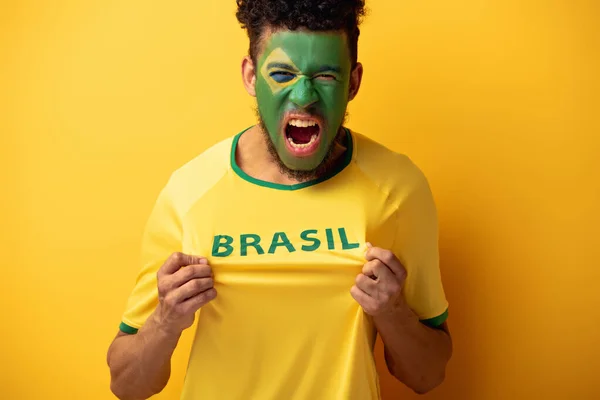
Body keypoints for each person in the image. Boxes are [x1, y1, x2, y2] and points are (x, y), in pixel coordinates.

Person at [106, 1, 453, 399]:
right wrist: (166, 321)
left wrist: (392, 313)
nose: (303, 97)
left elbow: (427, 376)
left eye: (325, 75)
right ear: (251, 76)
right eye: (282, 74)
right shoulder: (190, 191)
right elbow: (127, 385)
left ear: (353, 82)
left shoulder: (397, 189)